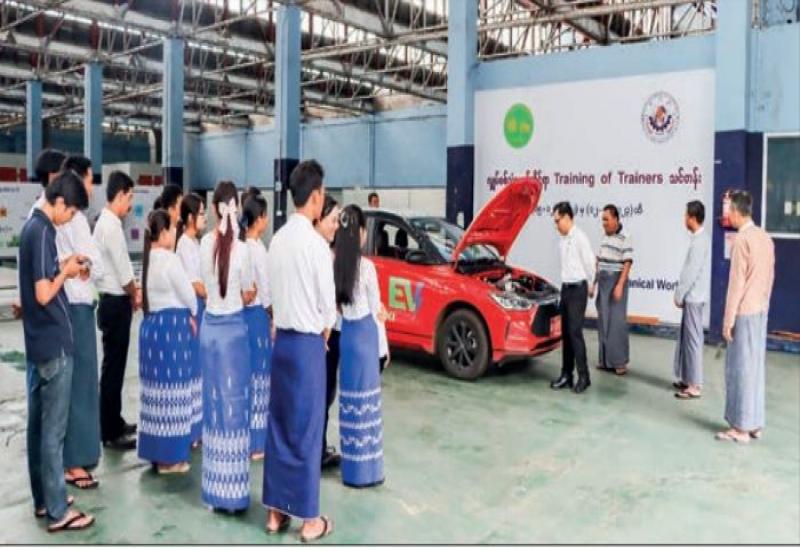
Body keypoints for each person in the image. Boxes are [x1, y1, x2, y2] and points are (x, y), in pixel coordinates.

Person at [263, 160, 336, 542]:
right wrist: (323, 330)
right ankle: (310, 519)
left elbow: (270, 296)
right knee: (307, 430)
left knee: (280, 426)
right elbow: (328, 309)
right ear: (317, 196)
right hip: (308, 346)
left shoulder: (276, 240)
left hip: (282, 345)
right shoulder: (316, 246)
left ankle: (275, 513)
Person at [19, 170, 95, 532]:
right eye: (71, 212)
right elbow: (43, 293)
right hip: (54, 343)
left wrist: (64, 267)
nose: (69, 219)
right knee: (53, 433)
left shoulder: (32, 229)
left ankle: (45, 500)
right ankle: (57, 512)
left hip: (38, 343)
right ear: (60, 202)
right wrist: (66, 273)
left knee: (38, 429)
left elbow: (40, 282)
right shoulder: (43, 231)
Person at [199, 181, 256, 512]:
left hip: (210, 330)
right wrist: (247, 294)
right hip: (234, 332)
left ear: (215, 208)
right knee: (235, 405)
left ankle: (214, 491)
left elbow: (207, 288)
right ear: (236, 208)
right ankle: (234, 493)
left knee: (214, 406)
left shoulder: (205, 243)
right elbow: (247, 292)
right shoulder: (243, 249)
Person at [57, 155, 105, 489]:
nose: (91, 187)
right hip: (76, 306)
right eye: (89, 180)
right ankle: (74, 462)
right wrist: (86, 267)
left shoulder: (67, 218)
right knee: (81, 386)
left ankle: (74, 458)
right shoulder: (73, 221)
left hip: (72, 305)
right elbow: (93, 262)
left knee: (76, 385)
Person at [138, 209, 198, 474]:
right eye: (172, 229)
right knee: (174, 393)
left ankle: (156, 454)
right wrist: (193, 313)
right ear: (163, 233)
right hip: (172, 331)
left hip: (152, 330)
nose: (175, 233)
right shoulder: (170, 260)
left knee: (156, 394)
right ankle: (171, 459)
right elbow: (188, 294)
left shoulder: (148, 260)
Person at [333, 205, 385, 488]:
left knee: (350, 402)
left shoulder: (336, 266)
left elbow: (336, 312)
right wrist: (383, 349)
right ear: (361, 233)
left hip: (347, 336)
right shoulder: (367, 268)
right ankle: (369, 472)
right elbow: (377, 312)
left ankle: (352, 472)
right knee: (367, 404)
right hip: (365, 336)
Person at [717, 190, 775, 443]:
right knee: (755, 367)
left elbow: (736, 284)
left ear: (736, 212)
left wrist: (728, 321)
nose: (727, 214)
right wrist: (763, 306)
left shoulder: (741, 240)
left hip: (743, 312)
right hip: (760, 310)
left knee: (739, 368)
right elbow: (770, 277)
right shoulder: (765, 237)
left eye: (728, 209)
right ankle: (754, 422)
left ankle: (740, 428)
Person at [93, 171, 140, 451]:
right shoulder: (110, 226)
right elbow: (124, 273)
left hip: (112, 302)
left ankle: (114, 420)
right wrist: (136, 294)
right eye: (130, 197)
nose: (130, 204)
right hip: (115, 302)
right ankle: (110, 432)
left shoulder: (107, 223)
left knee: (115, 367)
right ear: (120, 194)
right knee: (113, 369)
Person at [239, 190, 272, 460]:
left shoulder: (239, 247)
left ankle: (244, 436)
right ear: (259, 218)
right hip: (259, 316)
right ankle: (257, 443)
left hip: (242, 317)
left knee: (246, 377)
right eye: (266, 215)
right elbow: (266, 289)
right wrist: (273, 315)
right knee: (261, 377)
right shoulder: (258, 250)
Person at [550, 202, 595, 394]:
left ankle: (584, 376)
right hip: (566, 288)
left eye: (557, 221)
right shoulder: (562, 240)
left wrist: (591, 284)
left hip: (578, 289)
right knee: (566, 334)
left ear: (567, 217)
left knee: (575, 333)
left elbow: (590, 263)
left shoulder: (580, 238)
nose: (556, 225)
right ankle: (566, 375)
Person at [176, 192, 208, 447]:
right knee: (194, 369)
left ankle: (197, 428)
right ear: (189, 218)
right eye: (201, 213)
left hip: (202, 305)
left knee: (200, 369)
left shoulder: (195, 242)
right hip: (195, 306)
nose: (204, 218)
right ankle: (191, 430)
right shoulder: (185, 245)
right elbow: (195, 284)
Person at [314, 194, 342, 470]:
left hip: (325, 332)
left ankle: (317, 446)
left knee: (324, 393)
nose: (336, 226)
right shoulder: (320, 252)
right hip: (323, 334)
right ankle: (317, 450)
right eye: (333, 220)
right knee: (322, 393)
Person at [673, 201, 710, 400]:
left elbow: (690, 273)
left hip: (694, 298)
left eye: (685, 215)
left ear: (693, 218)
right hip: (694, 297)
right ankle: (688, 379)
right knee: (687, 340)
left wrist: (679, 295)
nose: (684, 218)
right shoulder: (700, 239)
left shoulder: (699, 242)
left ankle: (694, 385)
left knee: (693, 341)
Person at [593, 204, 633, 376]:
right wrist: (593, 283)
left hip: (616, 282)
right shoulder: (604, 237)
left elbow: (627, 263)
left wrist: (619, 285)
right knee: (603, 322)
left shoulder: (626, 237)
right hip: (603, 283)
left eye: (606, 219)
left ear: (616, 219)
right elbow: (599, 261)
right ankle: (605, 361)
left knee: (616, 323)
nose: (604, 223)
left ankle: (619, 362)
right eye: (602, 219)